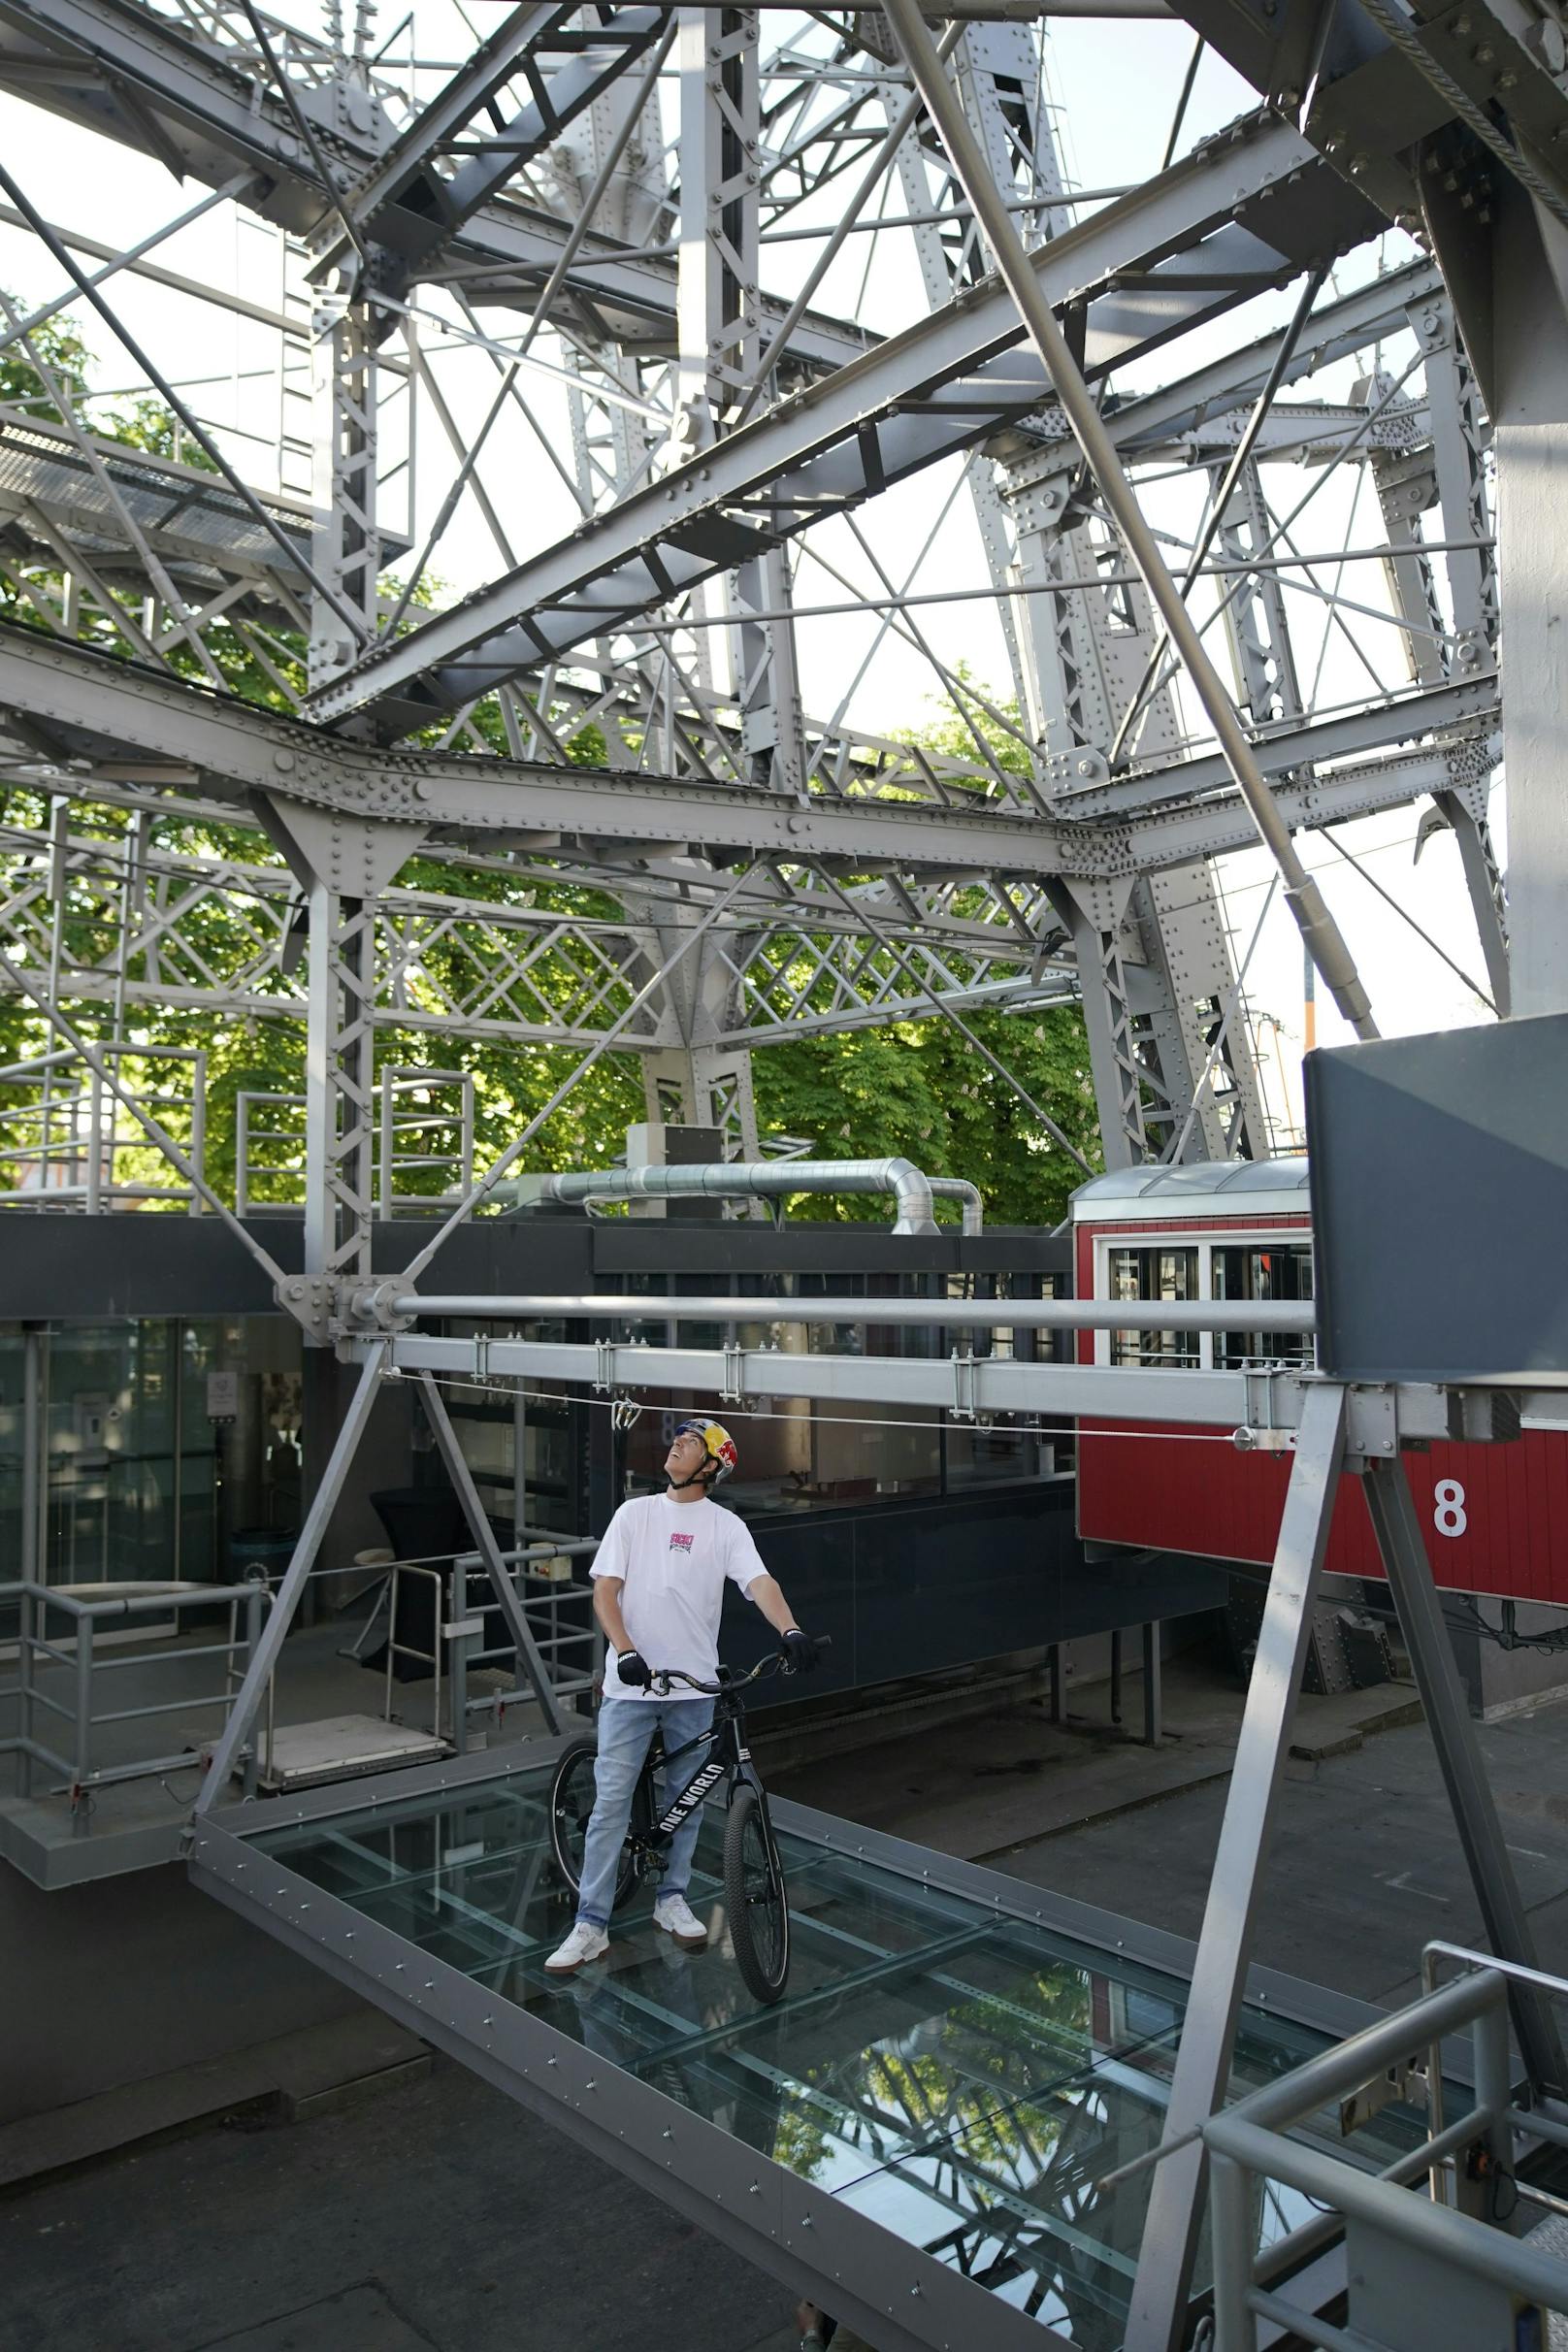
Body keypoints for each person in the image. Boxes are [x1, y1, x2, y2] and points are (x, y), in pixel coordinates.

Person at [544, 1417, 821, 1974]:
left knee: (688, 1800)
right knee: (610, 1806)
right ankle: (590, 1923)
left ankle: (672, 1899)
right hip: (631, 1685)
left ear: (712, 1465)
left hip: (694, 1686)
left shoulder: (724, 1526)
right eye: (677, 1439)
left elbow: (758, 1584)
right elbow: (605, 1591)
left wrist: (790, 1630)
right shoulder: (635, 1514)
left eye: (691, 1442)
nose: (676, 1445)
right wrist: (624, 1649)